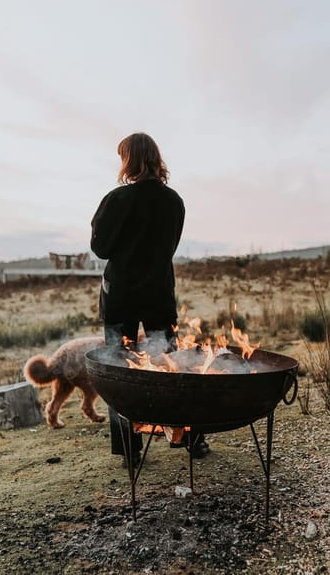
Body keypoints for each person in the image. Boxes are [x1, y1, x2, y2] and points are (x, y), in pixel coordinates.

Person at [90, 132, 209, 466]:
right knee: (173, 367)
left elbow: (100, 248)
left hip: (122, 296)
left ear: (129, 159)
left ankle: (130, 451)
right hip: (158, 292)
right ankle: (192, 440)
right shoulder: (174, 201)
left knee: (119, 369)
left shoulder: (116, 200)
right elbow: (168, 246)